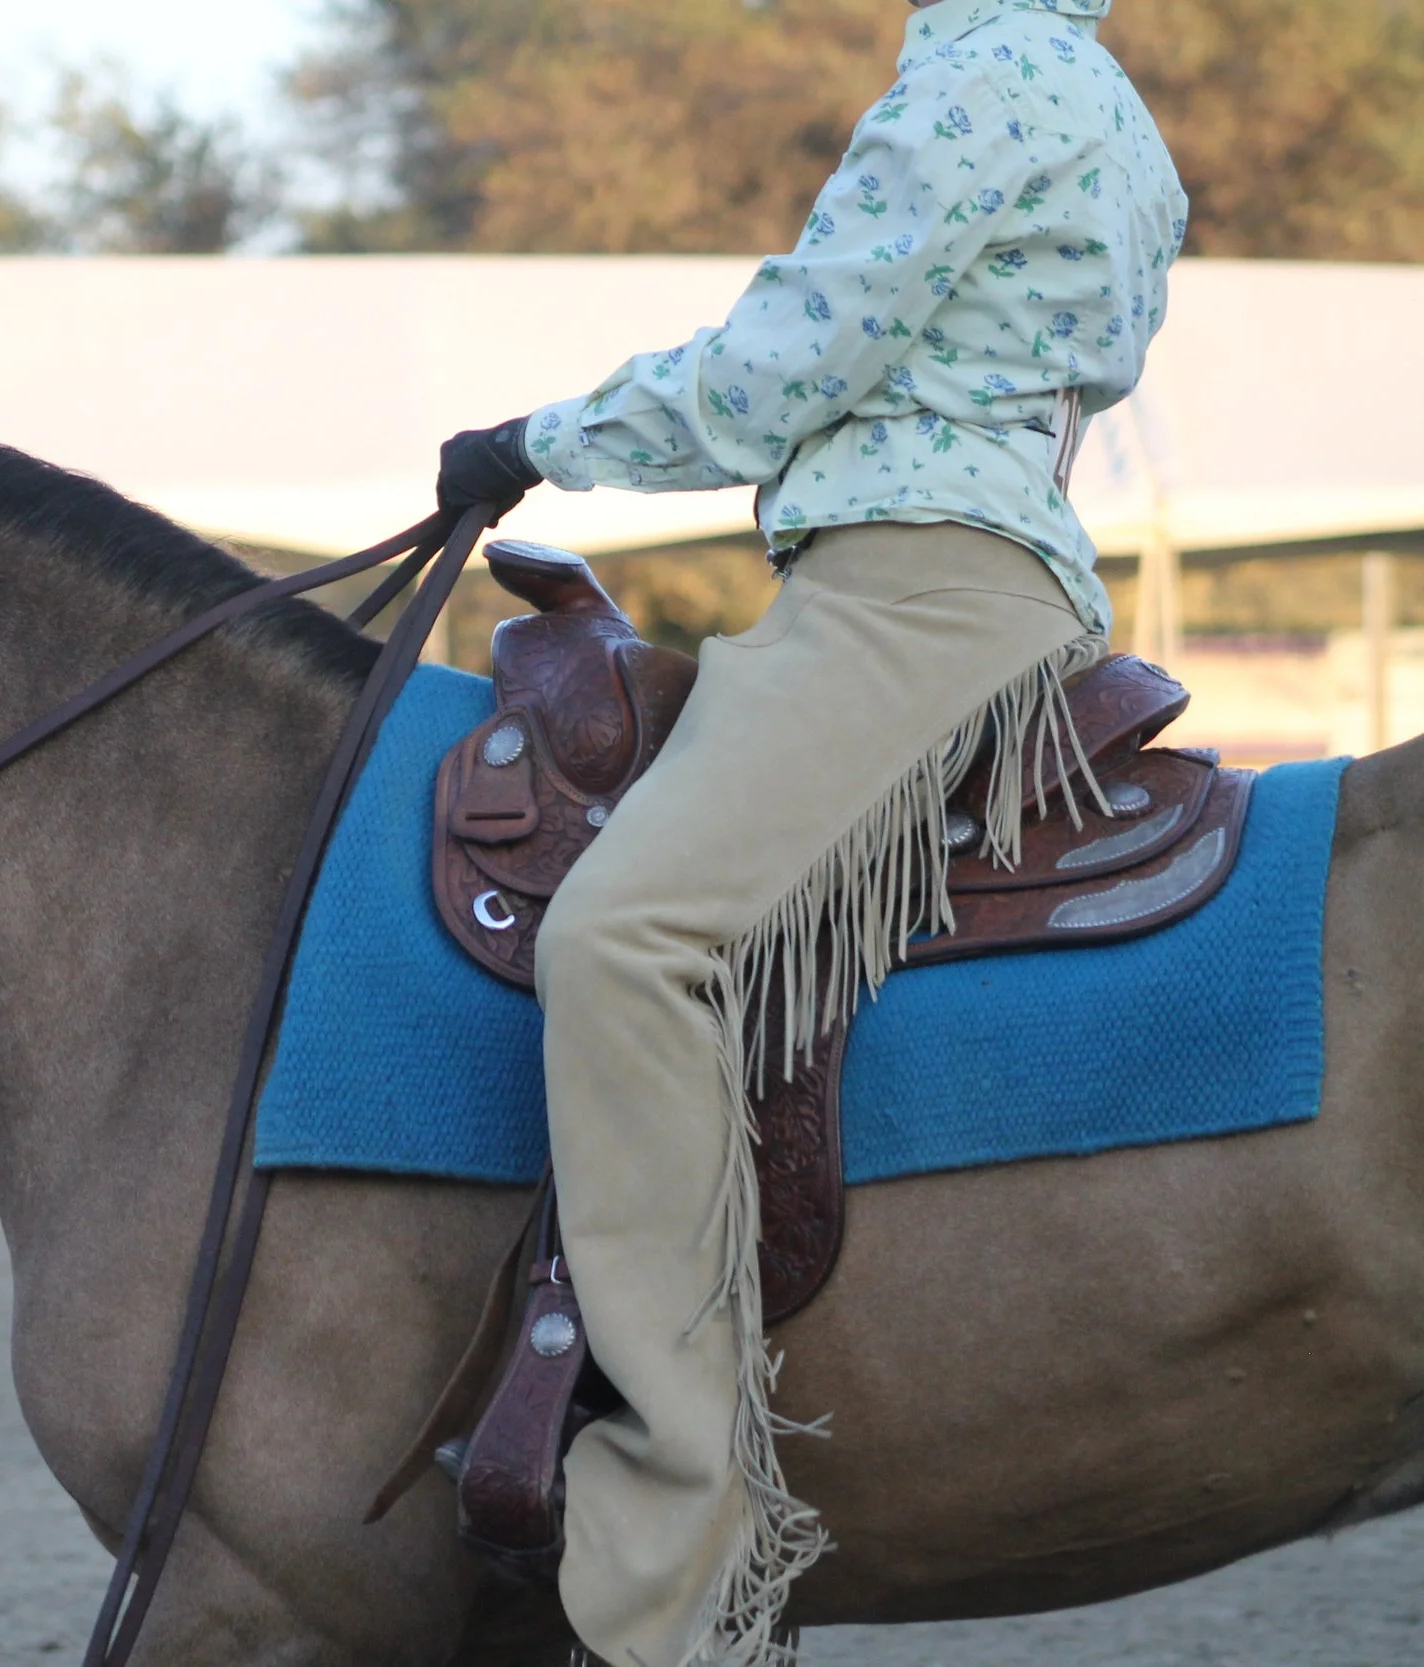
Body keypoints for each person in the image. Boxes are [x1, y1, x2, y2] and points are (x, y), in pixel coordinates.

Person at [432, 2, 1188, 1663]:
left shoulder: (986, 72)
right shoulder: (1107, 97)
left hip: (914, 587)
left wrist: (540, 446)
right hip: (970, 572)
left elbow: (795, 357)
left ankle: (676, 1541)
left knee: (624, 940)